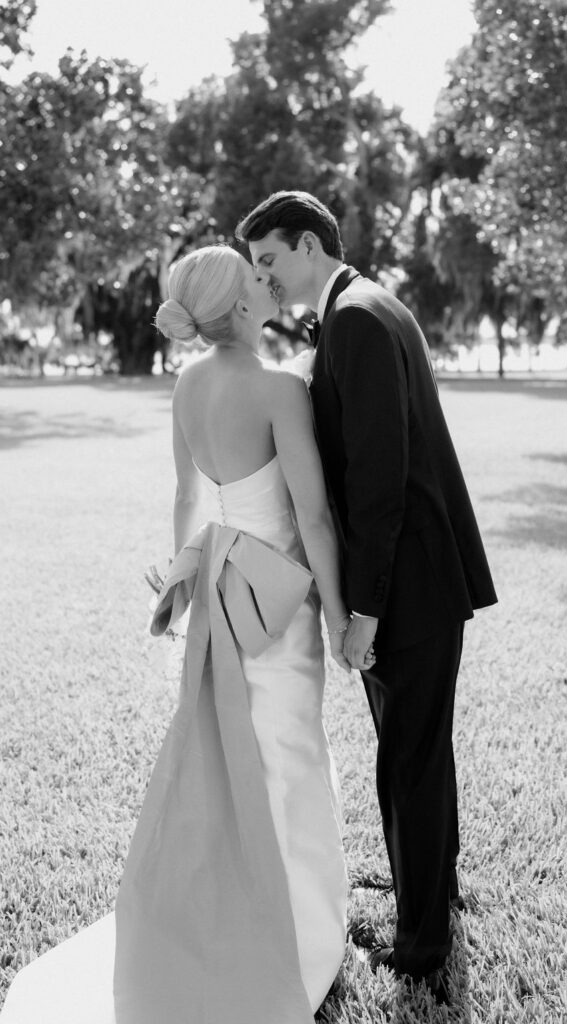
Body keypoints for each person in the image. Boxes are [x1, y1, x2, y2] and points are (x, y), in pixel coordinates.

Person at [0, 245, 360, 1024]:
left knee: (233, 767)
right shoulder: (276, 392)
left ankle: (226, 908)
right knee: (289, 760)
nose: (269, 284)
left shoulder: (190, 384)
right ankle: (298, 935)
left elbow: (184, 494)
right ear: (237, 308)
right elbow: (316, 519)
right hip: (277, 604)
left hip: (218, 590)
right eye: (257, 280)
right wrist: (338, 617)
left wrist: (177, 577)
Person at [236, 192, 498, 1005]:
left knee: (407, 763)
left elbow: (379, 483)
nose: (264, 280)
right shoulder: (363, 302)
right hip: (420, 579)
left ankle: (419, 947)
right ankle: (433, 892)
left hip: (407, 590)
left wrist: (364, 611)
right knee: (420, 753)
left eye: (269, 261)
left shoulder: (353, 318)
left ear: (309, 244)